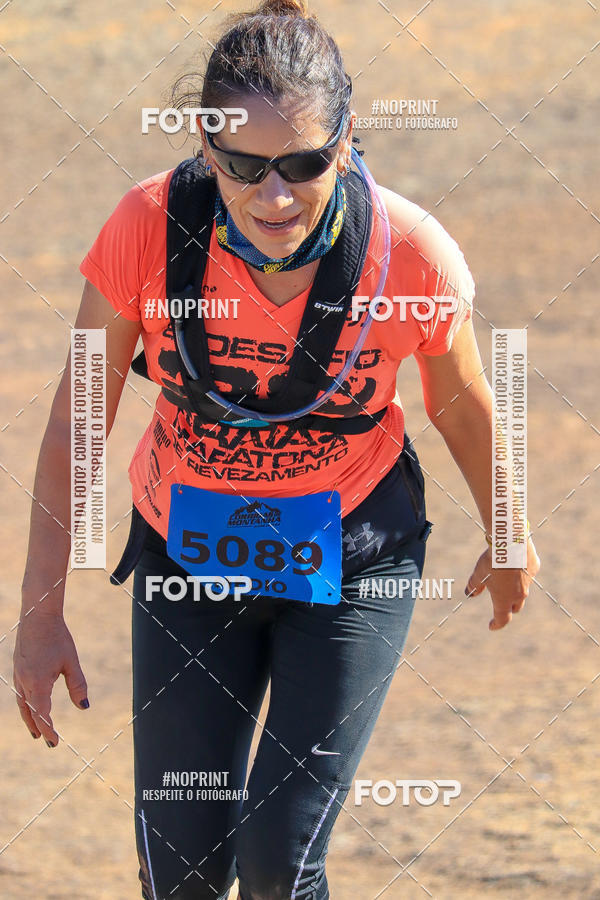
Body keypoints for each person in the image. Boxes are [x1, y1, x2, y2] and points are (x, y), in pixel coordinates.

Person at [14, 1, 540, 898]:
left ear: (347, 142)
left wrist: (511, 525)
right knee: (179, 871)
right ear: (203, 147)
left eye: (304, 163)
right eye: (244, 167)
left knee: (277, 861)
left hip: (350, 561)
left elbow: (457, 402)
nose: (275, 196)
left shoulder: (408, 253)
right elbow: (80, 414)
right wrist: (39, 608)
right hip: (190, 562)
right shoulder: (147, 227)